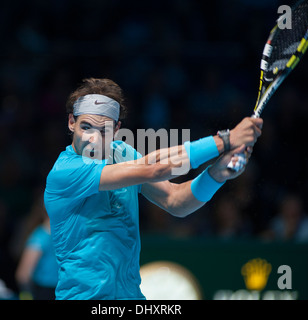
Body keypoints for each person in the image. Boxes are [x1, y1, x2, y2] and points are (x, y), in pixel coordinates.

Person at [44, 77, 263, 300]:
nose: (93, 138)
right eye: (86, 126)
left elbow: (176, 201)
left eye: (104, 130)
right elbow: (156, 168)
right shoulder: (65, 172)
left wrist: (216, 175)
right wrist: (226, 140)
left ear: (117, 129)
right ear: (71, 122)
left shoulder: (123, 153)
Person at [15, 203, 58, 300]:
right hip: (45, 292)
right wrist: (27, 296)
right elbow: (23, 274)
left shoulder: (64, 236)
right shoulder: (39, 236)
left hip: (62, 289)